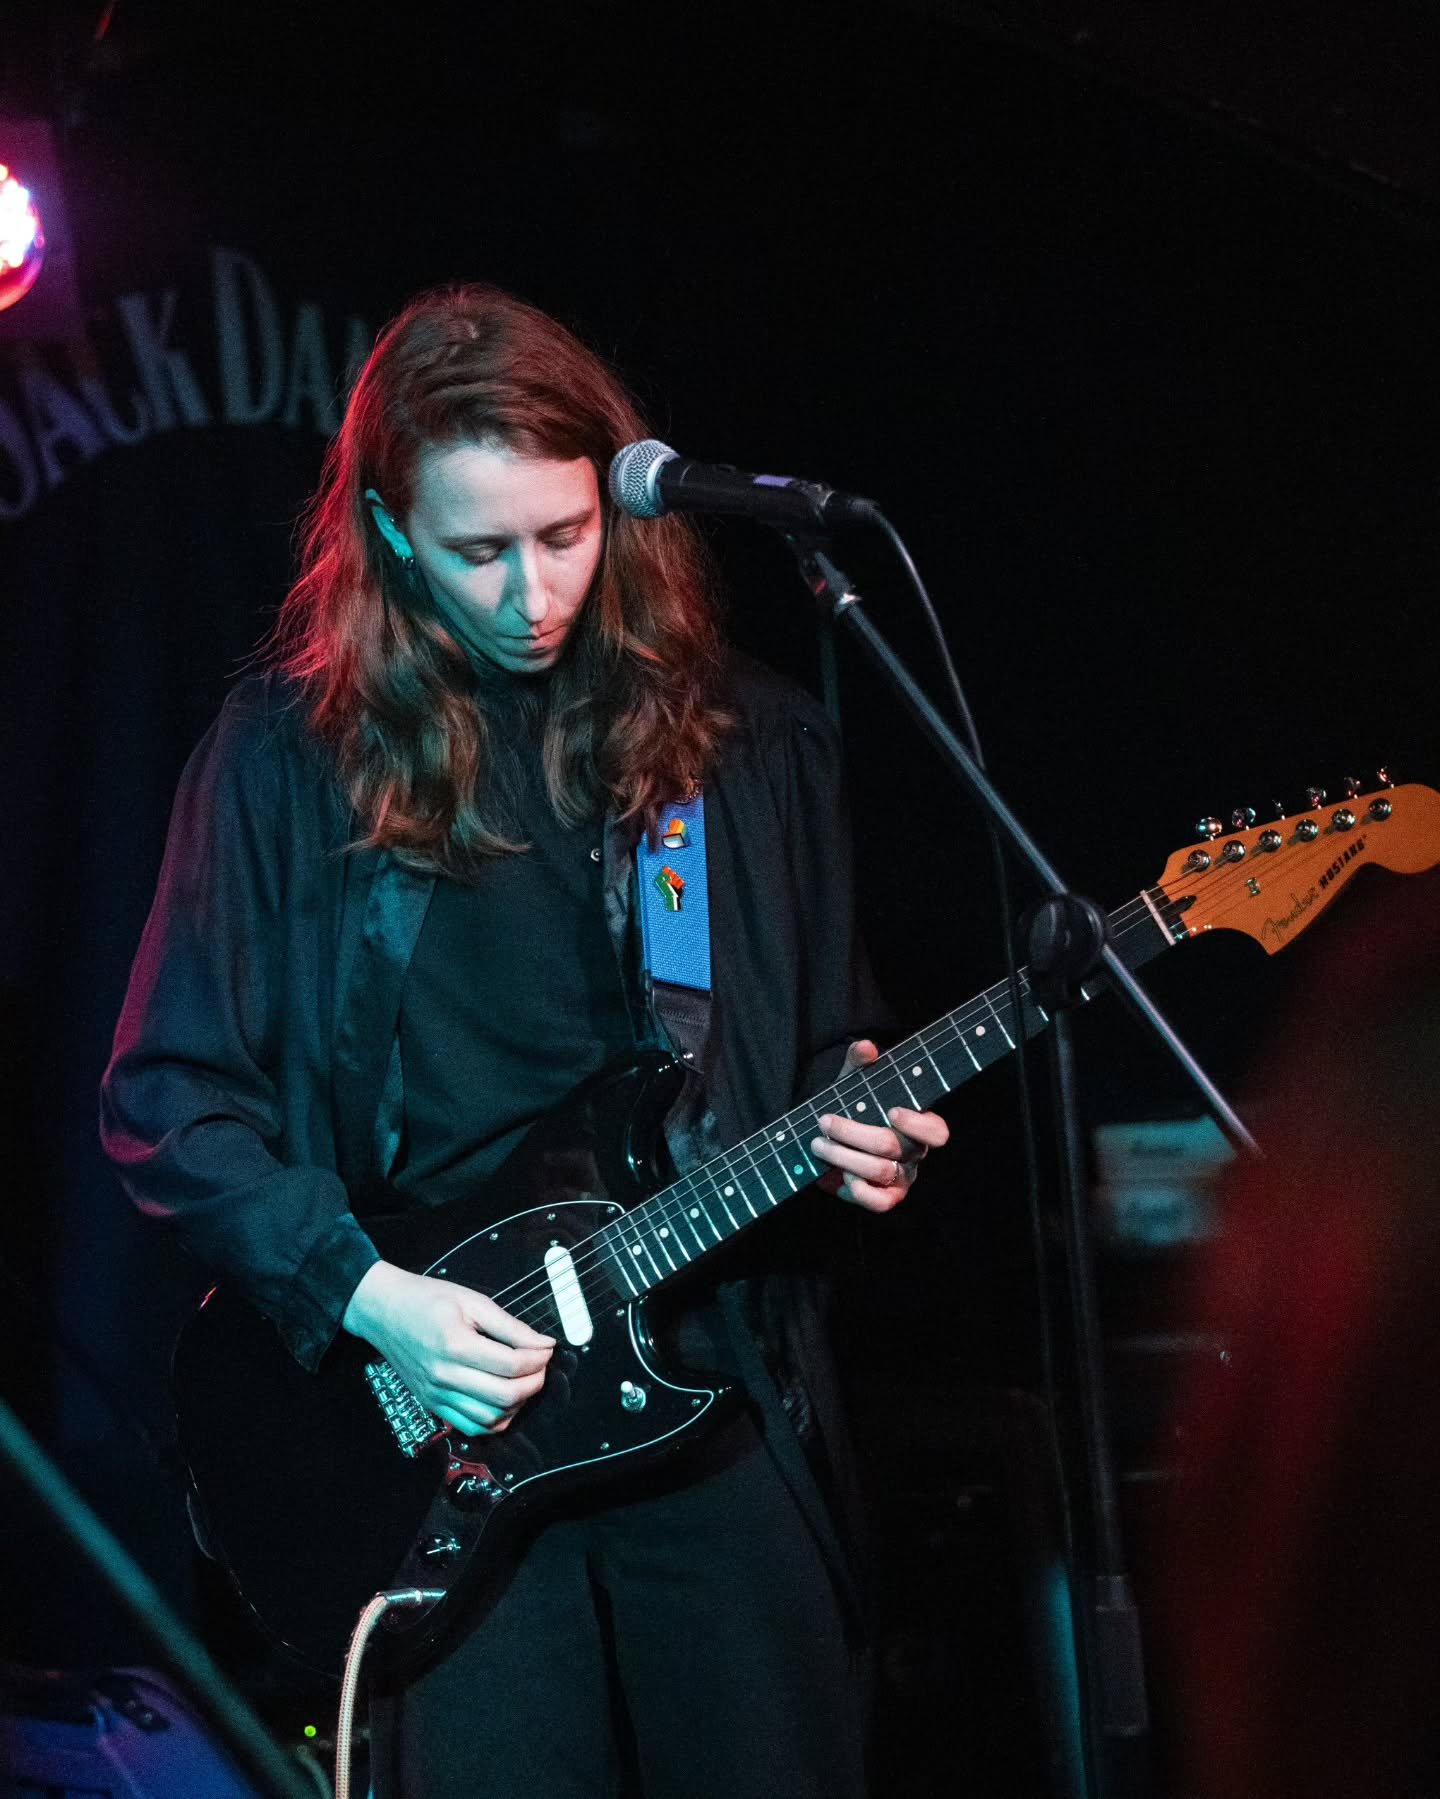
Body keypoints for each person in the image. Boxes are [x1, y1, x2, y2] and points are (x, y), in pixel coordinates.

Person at [99, 283, 950, 1798]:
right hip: (440, 1428)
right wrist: (369, 1298)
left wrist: (860, 1117)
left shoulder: (741, 749)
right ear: (388, 530)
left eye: (565, 537)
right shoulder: (288, 768)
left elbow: (836, 1038)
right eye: (477, 550)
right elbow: (170, 1100)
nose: (529, 592)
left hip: (709, 1390)